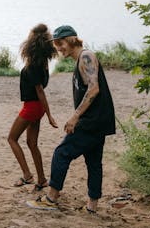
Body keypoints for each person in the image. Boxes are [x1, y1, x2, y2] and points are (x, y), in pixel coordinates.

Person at [26, 25, 115, 213]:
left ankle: (51, 198)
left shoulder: (86, 56)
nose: (58, 47)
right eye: (56, 44)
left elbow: (94, 88)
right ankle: (92, 206)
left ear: (72, 40)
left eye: (61, 43)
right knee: (93, 161)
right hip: (98, 120)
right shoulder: (80, 60)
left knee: (62, 153)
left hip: (92, 120)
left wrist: (75, 117)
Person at [8, 24, 58, 192]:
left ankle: (27, 175)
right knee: (31, 143)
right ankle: (42, 179)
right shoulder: (43, 62)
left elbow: (40, 91)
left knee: (12, 139)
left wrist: (50, 115)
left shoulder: (34, 65)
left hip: (32, 107)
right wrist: (46, 113)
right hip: (36, 108)